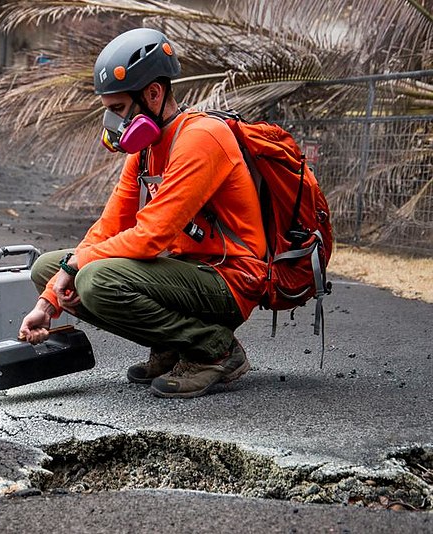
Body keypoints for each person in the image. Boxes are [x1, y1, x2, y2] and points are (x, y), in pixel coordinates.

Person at [18, 28, 268, 399]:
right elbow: (110, 226)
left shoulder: (201, 137)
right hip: (189, 275)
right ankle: (171, 345)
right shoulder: (146, 150)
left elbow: (151, 236)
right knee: (46, 269)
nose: (114, 125)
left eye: (119, 109)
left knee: (95, 279)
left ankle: (215, 349)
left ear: (153, 93)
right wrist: (48, 301)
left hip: (231, 278)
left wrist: (74, 269)